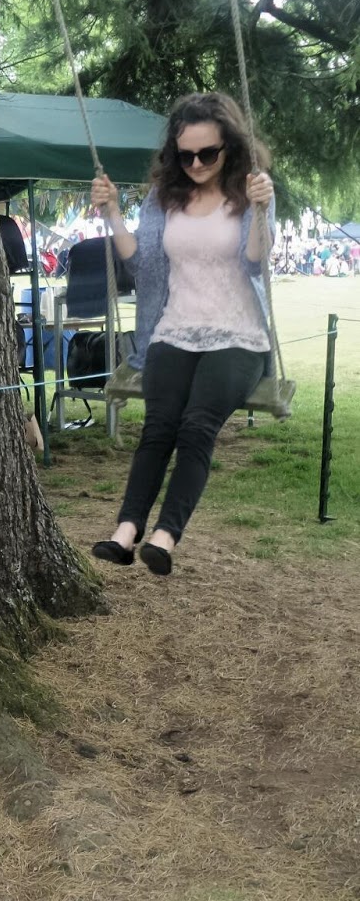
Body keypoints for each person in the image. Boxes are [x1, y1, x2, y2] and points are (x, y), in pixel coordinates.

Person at [89, 92, 274, 576]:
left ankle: (165, 536)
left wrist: (260, 209)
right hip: (174, 329)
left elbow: (256, 262)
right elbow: (141, 262)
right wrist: (112, 212)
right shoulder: (164, 197)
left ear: (229, 146)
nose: (195, 164)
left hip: (238, 336)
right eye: (185, 154)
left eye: (207, 154)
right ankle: (125, 531)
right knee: (158, 428)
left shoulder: (251, 190)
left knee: (196, 427)